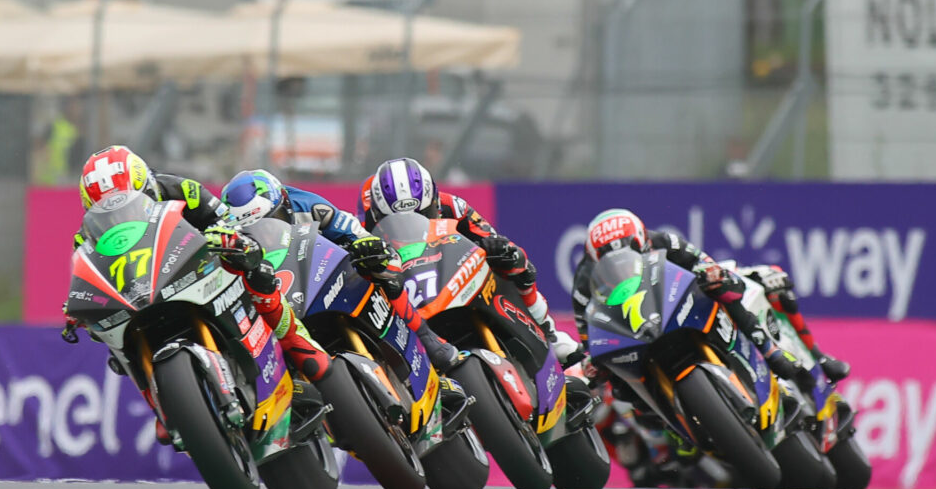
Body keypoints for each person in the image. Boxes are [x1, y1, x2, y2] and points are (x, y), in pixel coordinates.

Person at [67, 145, 332, 383]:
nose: (121, 214)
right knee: (117, 351)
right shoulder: (85, 236)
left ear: (147, 185)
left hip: (200, 267)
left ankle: (296, 341)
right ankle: (164, 406)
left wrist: (231, 240)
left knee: (255, 269)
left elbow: (227, 221)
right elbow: (90, 275)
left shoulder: (182, 190)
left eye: (127, 202)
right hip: (141, 293)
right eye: (107, 209)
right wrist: (79, 308)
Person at [219, 168, 461, 371]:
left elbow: (367, 240)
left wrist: (368, 248)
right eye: (252, 232)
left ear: (284, 203)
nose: (267, 233)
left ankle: (425, 336)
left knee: (379, 263)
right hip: (275, 291)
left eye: (273, 220)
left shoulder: (311, 206)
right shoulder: (226, 235)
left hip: (324, 277)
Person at [571, 208, 849, 383]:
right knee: (612, 377)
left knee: (735, 283)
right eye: (610, 258)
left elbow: (703, 262)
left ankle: (792, 353)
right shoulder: (584, 281)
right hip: (630, 328)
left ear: (642, 240)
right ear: (594, 259)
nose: (621, 262)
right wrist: (591, 358)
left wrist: (710, 274)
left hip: (671, 305)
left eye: (630, 251)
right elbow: (587, 332)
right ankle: (661, 428)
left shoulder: (662, 240)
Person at [358, 157, 581, 364]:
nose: (409, 223)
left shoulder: (453, 206)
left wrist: (498, 249)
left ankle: (549, 333)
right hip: (402, 285)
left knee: (516, 262)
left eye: (422, 213)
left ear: (434, 200)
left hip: (444, 273)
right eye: (395, 219)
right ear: (378, 214)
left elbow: (493, 238)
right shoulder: (364, 223)